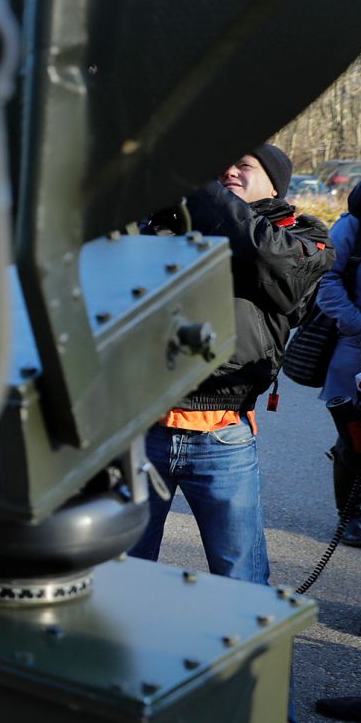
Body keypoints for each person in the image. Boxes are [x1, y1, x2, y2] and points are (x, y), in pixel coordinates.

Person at [129, 145, 331, 585]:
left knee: (241, 580)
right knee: (123, 572)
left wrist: (194, 183)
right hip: (143, 429)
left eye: (244, 164)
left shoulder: (302, 235)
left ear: (276, 182)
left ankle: (250, 657)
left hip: (223, 436)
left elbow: (271, 260)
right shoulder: (173, 224)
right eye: (220, 164)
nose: (230, 171)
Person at [314, 143, 361, 639]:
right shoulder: (357, 226)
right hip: (356, 357)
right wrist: (355, 322)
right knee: (354, 446)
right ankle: (352, 517)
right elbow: (325, 278)